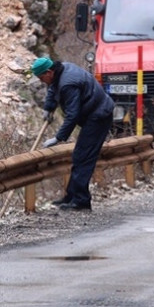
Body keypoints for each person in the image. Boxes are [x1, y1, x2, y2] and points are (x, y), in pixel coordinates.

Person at [31, 57, 115, 211]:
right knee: (79, 155)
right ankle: (71, 196)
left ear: (49, 72)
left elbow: (72, 115)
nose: (42, 81)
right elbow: (52, 88)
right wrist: (48, 108)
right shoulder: (62, 68)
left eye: (41, 77)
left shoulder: (67, 84)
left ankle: (81, 201)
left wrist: (58, 138)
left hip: (99, 115)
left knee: (83, 156)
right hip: (93, 113)